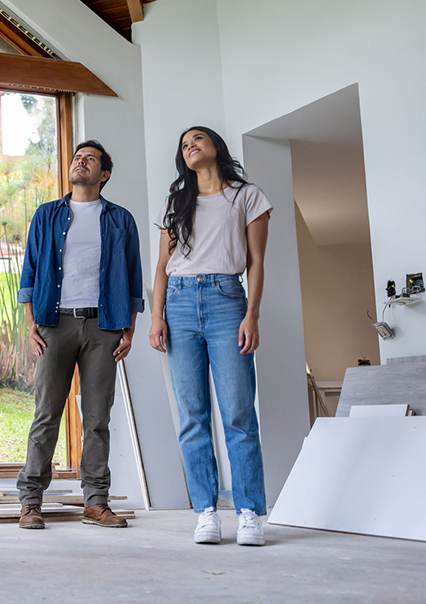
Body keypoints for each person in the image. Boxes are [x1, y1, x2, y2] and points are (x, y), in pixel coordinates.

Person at [148, 126, 272, 546]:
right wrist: (156, 317)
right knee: (192, 416)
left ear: (215, 146)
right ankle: (205, 511)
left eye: (197, 139)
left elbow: (256, 261)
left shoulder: (246, 196)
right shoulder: (176, 203)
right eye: (183, 144)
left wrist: (251, 314)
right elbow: (162, 267)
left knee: (238, 413)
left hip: (226, 301)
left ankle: (250, 511)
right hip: (179, 305)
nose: (190, 146)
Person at [15, 140, 144, 530]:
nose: (80, 161)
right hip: (56, 323)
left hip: (104, 326)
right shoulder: (48, 214)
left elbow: (133, 275)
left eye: (90, 159)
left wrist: (130, 329)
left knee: (97, 418)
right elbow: (31, 269)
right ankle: (31, 502)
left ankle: (95, 501)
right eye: (77, 157)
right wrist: (30, 323)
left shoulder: (121, 219)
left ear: (103, 174)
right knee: (46, 414)